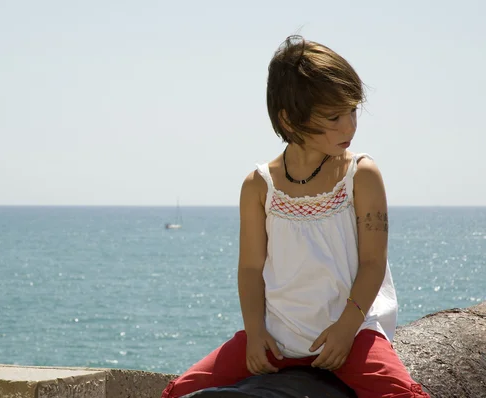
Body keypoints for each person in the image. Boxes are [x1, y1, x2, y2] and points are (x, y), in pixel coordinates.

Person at [161, 35, 430, 398]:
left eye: (352, 110)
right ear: (290, 119)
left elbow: (372, 263)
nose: (349, 126)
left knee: (404, 395)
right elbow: (250, 269)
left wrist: (345, 329)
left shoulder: (361, 175)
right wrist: (255, 333)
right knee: (180, 391)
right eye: (334, 117)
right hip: (276, 338)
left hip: (349, 335)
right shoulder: (259, 186)